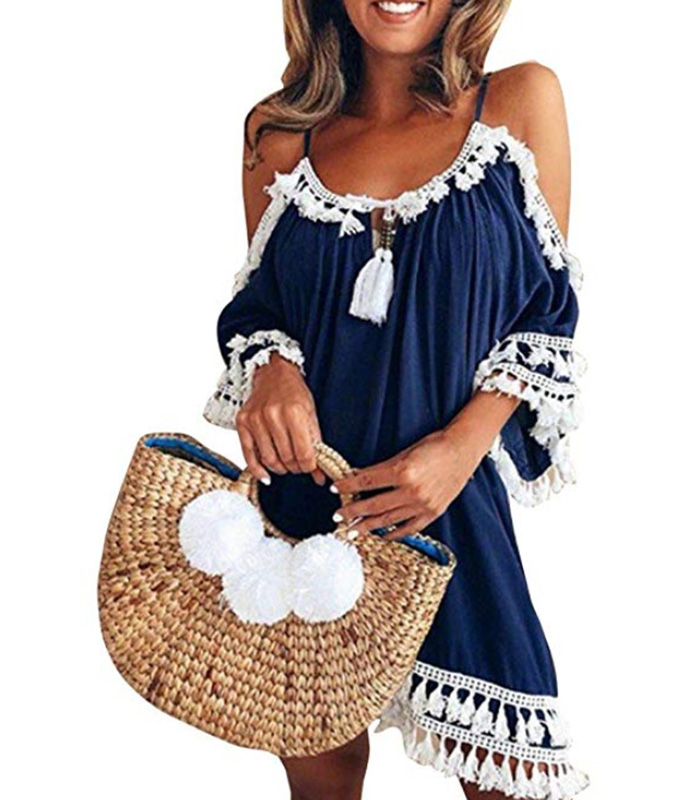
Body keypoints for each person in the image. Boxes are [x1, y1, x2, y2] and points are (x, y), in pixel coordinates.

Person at [203, 1, 590, 798]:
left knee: (514, 777)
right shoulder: (279, 135)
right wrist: (272, 369)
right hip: (307, 515)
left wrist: (460, 449)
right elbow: (262, 308)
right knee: (324, 771)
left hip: (452, 513)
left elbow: (546, 316)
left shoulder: (519, 104)